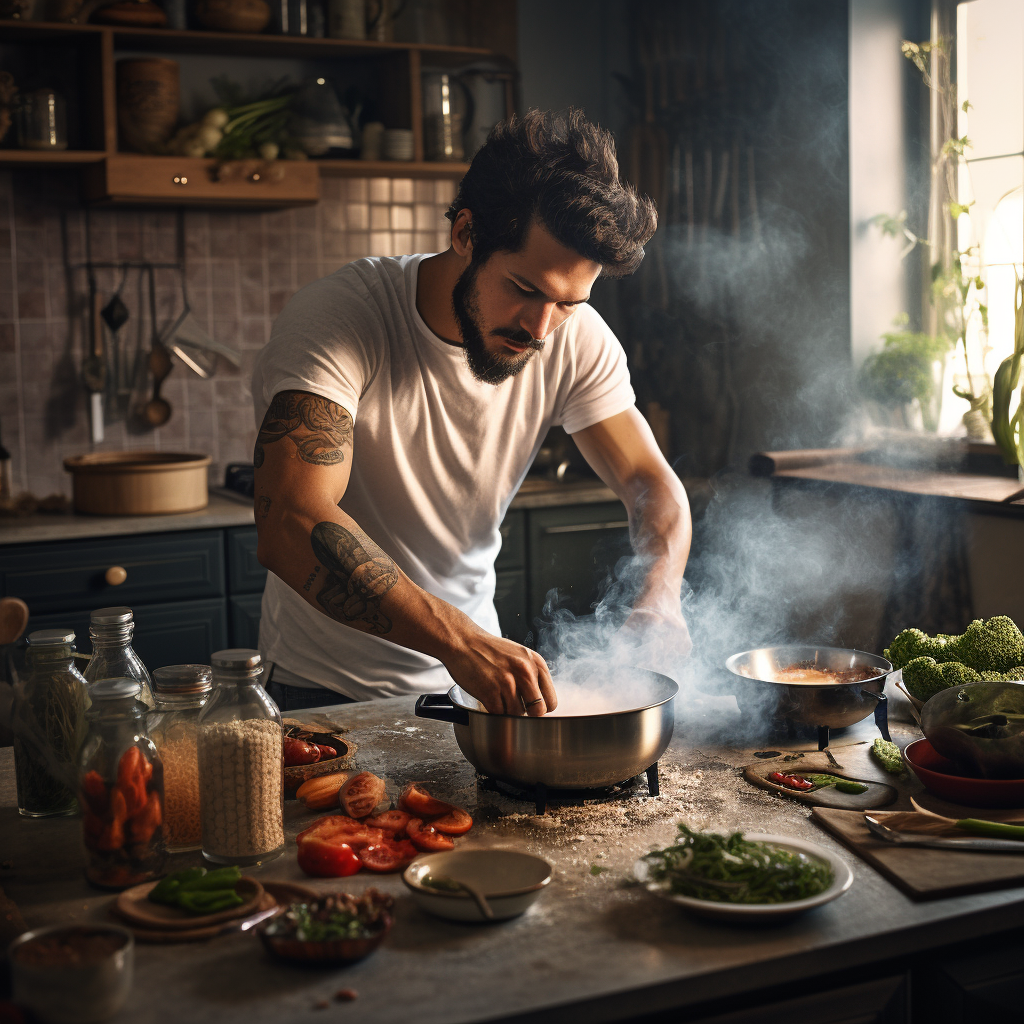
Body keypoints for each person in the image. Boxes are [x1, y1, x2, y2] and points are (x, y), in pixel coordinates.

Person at [251, 108, 692, 715]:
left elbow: (651, 482)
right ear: (466, 234)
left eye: (568, 302)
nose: (541, 328)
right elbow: (290, 521)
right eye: (525, 289)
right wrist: (461, 642)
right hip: (323, 694)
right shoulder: (342, 317)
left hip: (470, 688)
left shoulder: (574, 335)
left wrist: (660, 597)